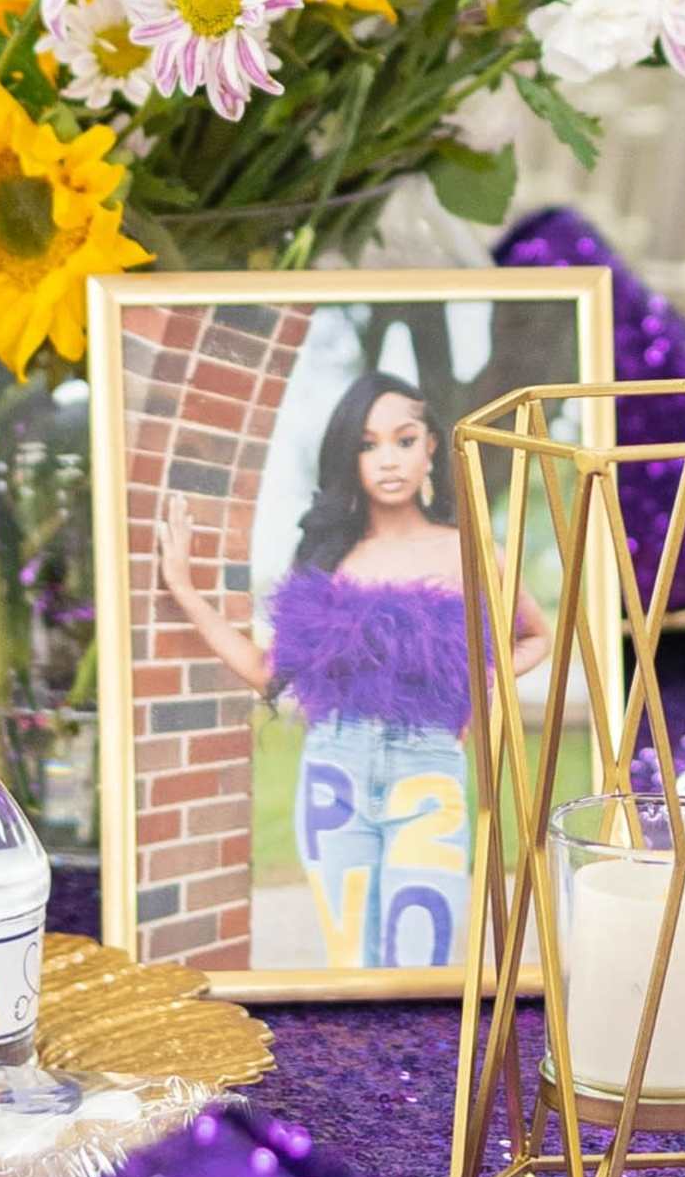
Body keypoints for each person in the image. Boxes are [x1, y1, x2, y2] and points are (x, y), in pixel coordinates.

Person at [157, 362, 543, 973]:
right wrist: (184, 589)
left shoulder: (470, 549)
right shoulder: (328, 559)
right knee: (353, 960)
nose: (388, 460)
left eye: (404, 440)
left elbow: (535, 635)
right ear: (349, 458)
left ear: (431, 448)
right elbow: (267, 671)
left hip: (428, 768)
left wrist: (485, 679)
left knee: (421, 956)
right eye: (368, 445)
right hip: (334, 773)